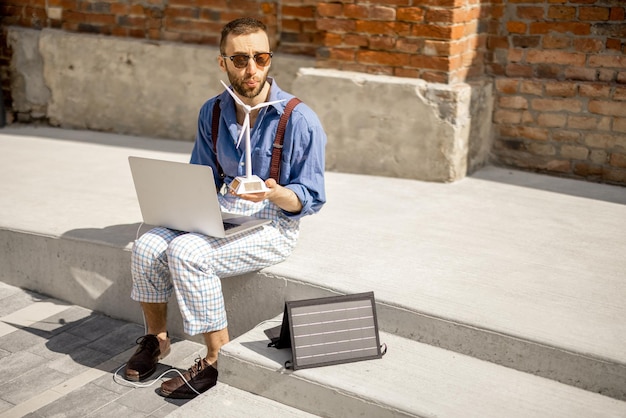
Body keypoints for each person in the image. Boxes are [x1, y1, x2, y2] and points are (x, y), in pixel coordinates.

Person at [123, 17, 326, 399]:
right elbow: (201, 176)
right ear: (223, 63)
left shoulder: (299, 119)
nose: (252, 69)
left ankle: (217, 358)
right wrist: (184, 205)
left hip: (273, 223)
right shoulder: (212, 112)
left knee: (186, 252)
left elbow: (310, 198)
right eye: (240, 59)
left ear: (269, 59)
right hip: (221, 213)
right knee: (149, 244)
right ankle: (157, 339)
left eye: (261, 57)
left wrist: (273, 193)